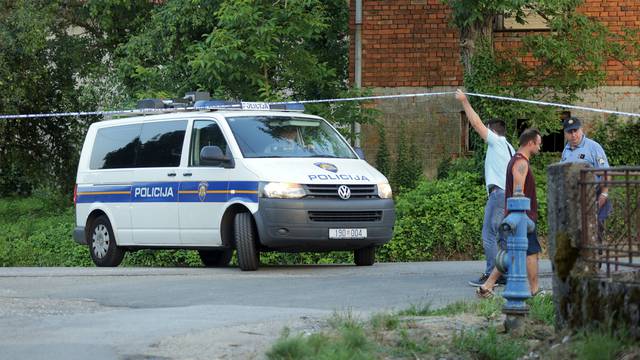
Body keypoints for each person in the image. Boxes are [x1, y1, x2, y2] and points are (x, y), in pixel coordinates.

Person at [455, 90, 515, 287]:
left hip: (499, 195)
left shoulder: (496, 142)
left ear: (493, 131)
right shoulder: (510, 148)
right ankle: (503, 274)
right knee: (503, 237)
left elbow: (476, 124)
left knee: (489, 235)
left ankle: (491, 274)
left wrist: (464, 101)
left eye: (487, 131)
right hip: (509, 197)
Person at [476, 128, 543, 298]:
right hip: (522, 217)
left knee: (512, 253)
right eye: (538, 144)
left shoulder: (516, 159)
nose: (540, 148)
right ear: (530, 143)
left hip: (519, 217)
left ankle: (487, 286)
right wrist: (519, 217)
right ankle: (535, 291)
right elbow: (517, 192)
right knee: (531, 253)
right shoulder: (521, 163)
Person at [560, 116, 611, 222]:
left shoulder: (593, 147)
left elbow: (605, 172)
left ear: (581, 129)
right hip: (573, 199)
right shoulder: (566, 150)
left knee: (594, 233)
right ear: (565, 134)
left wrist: (604, 193)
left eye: (576, 130)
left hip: (593, 196)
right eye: (570, 132)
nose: (573, 135)